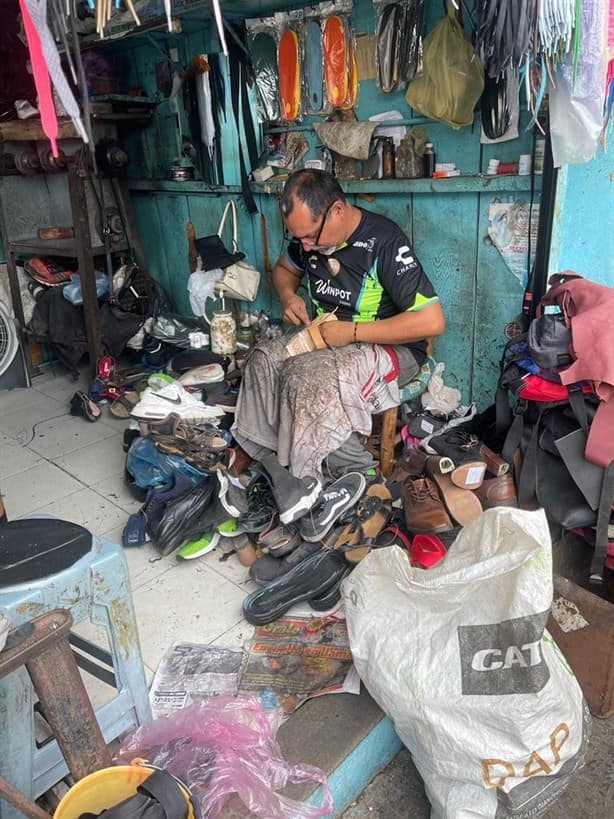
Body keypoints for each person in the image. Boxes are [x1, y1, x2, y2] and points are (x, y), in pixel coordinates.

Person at [232, 169, 445, 480]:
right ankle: (267, 454)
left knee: (305, 378)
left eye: (310, 236)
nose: (304, 246)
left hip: (392, 349)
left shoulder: (383, 241)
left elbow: (432, 320)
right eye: (298, 237)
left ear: (337, 211)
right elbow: (283, 269)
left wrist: (353, 332)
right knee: (261, 360)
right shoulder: (310, 243)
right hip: (327, 339)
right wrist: (288, 294)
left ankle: (357, 473)